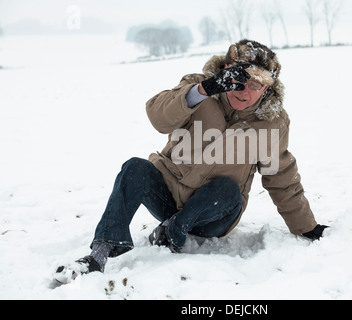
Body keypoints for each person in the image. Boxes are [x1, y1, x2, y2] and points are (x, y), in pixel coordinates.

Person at [54, 39, 328, 284]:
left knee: (226, 188)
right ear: (223, 72)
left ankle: (173, 230)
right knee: (134, 168)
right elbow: (157, 117)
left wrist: (307, 227)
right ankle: (99, 254)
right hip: (168, 195)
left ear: (267, 89)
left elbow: (280, 176)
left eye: (254, 84)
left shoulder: (272, 123)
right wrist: (203, 89)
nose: (243, 90)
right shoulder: (197, 89)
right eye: (237, 79)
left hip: (216, 212)